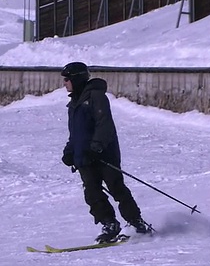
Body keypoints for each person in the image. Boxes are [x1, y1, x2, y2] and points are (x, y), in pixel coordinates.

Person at [60, 62, 154, 243]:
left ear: (77, 79)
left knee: (116, 188)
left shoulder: (96, 97)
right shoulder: (74, 104)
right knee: (92, 193)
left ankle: (136, 223)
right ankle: (109, 224)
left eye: (67, 79)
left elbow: (105, 125)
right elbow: (75, 133)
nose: (65, 83)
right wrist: (70, 152)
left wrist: (96, 148)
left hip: (104, 155)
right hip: (84, 158)